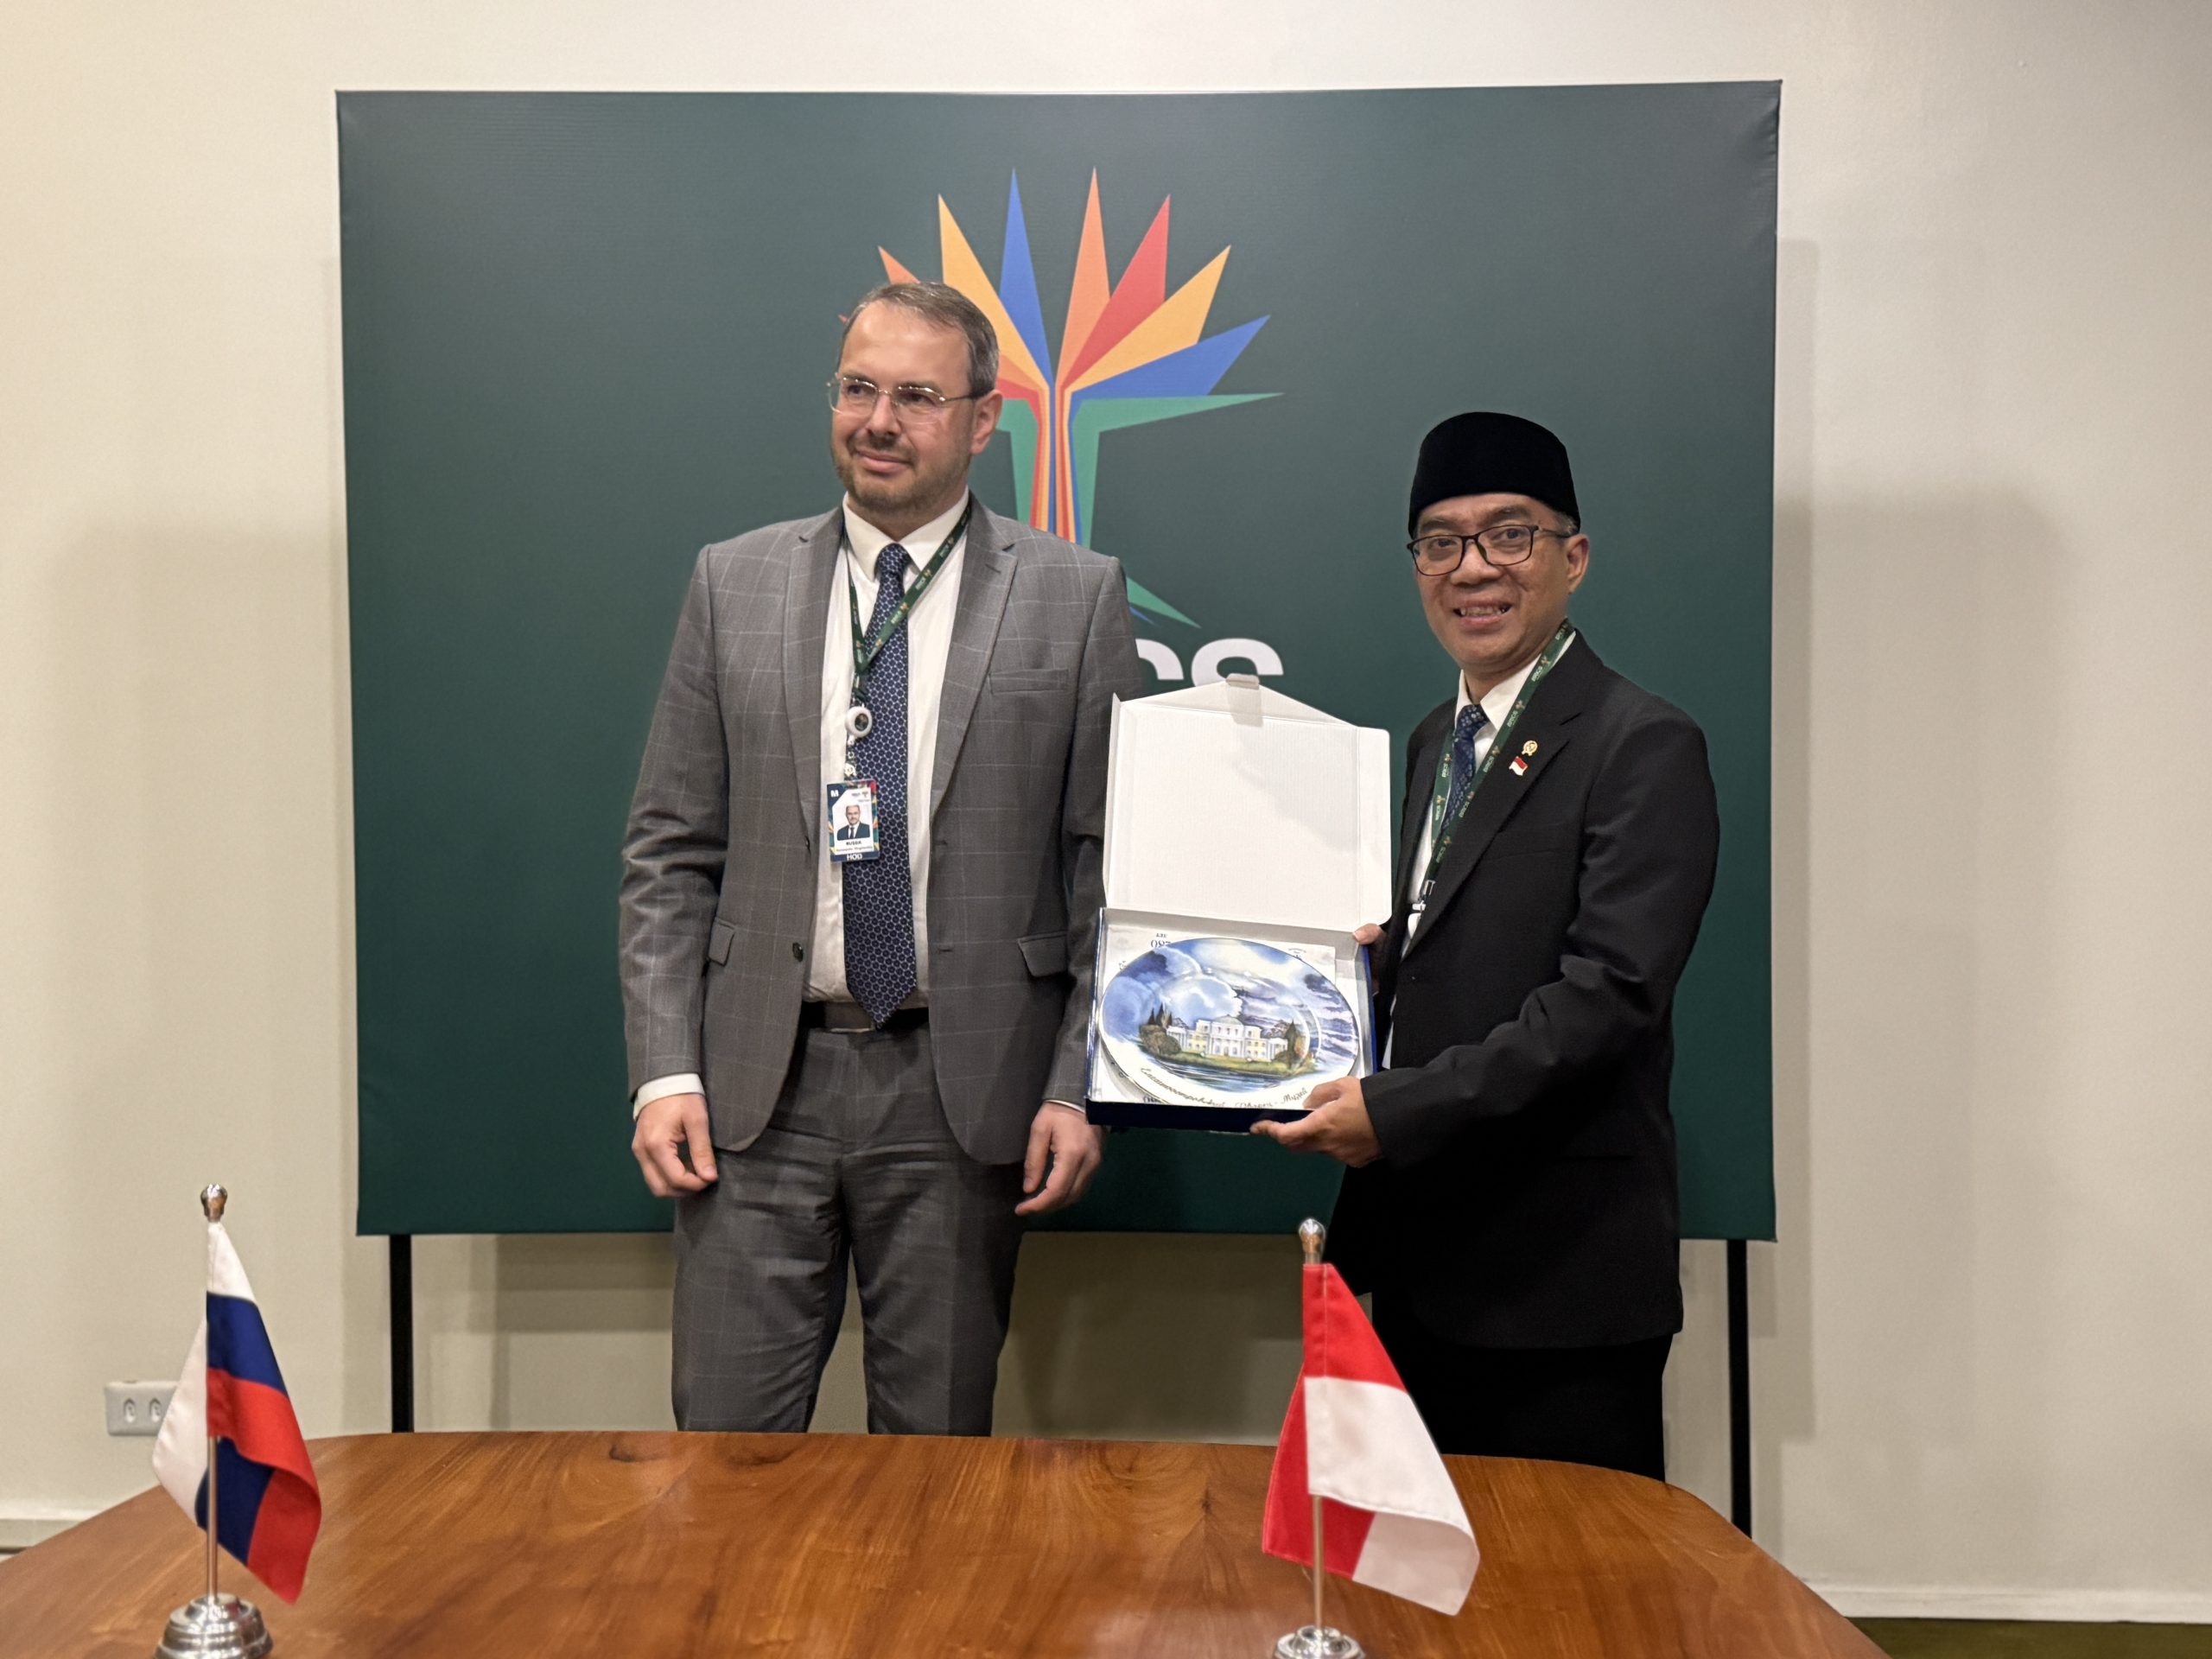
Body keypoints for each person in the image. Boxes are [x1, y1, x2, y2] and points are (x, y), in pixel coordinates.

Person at [620, 280, 1143, 1434]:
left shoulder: (1073, 596)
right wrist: (664, 1072)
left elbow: (1110, 873)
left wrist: (1075, 1082)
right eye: (859, 388)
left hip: (962, 1093)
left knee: (936, 1475)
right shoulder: (733, 582)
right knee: (726, 1463)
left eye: (917, 396)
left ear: (983, 418)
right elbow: (668, 851)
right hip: (755, 1094)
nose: (879, 421)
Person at [1254, 412, 1720, 1479]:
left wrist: (1394, 1111)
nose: (1472, 569)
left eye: (1508, 535)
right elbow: (1445, 949)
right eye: (1440, 542)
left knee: (1567, 1575)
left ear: (1573, 556)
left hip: (1558, 1274)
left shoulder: (1642, 742)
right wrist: (1329, 987)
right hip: (1422, 1254)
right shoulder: (1437, 738)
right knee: (1422, 1563)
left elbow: (1608, 997)